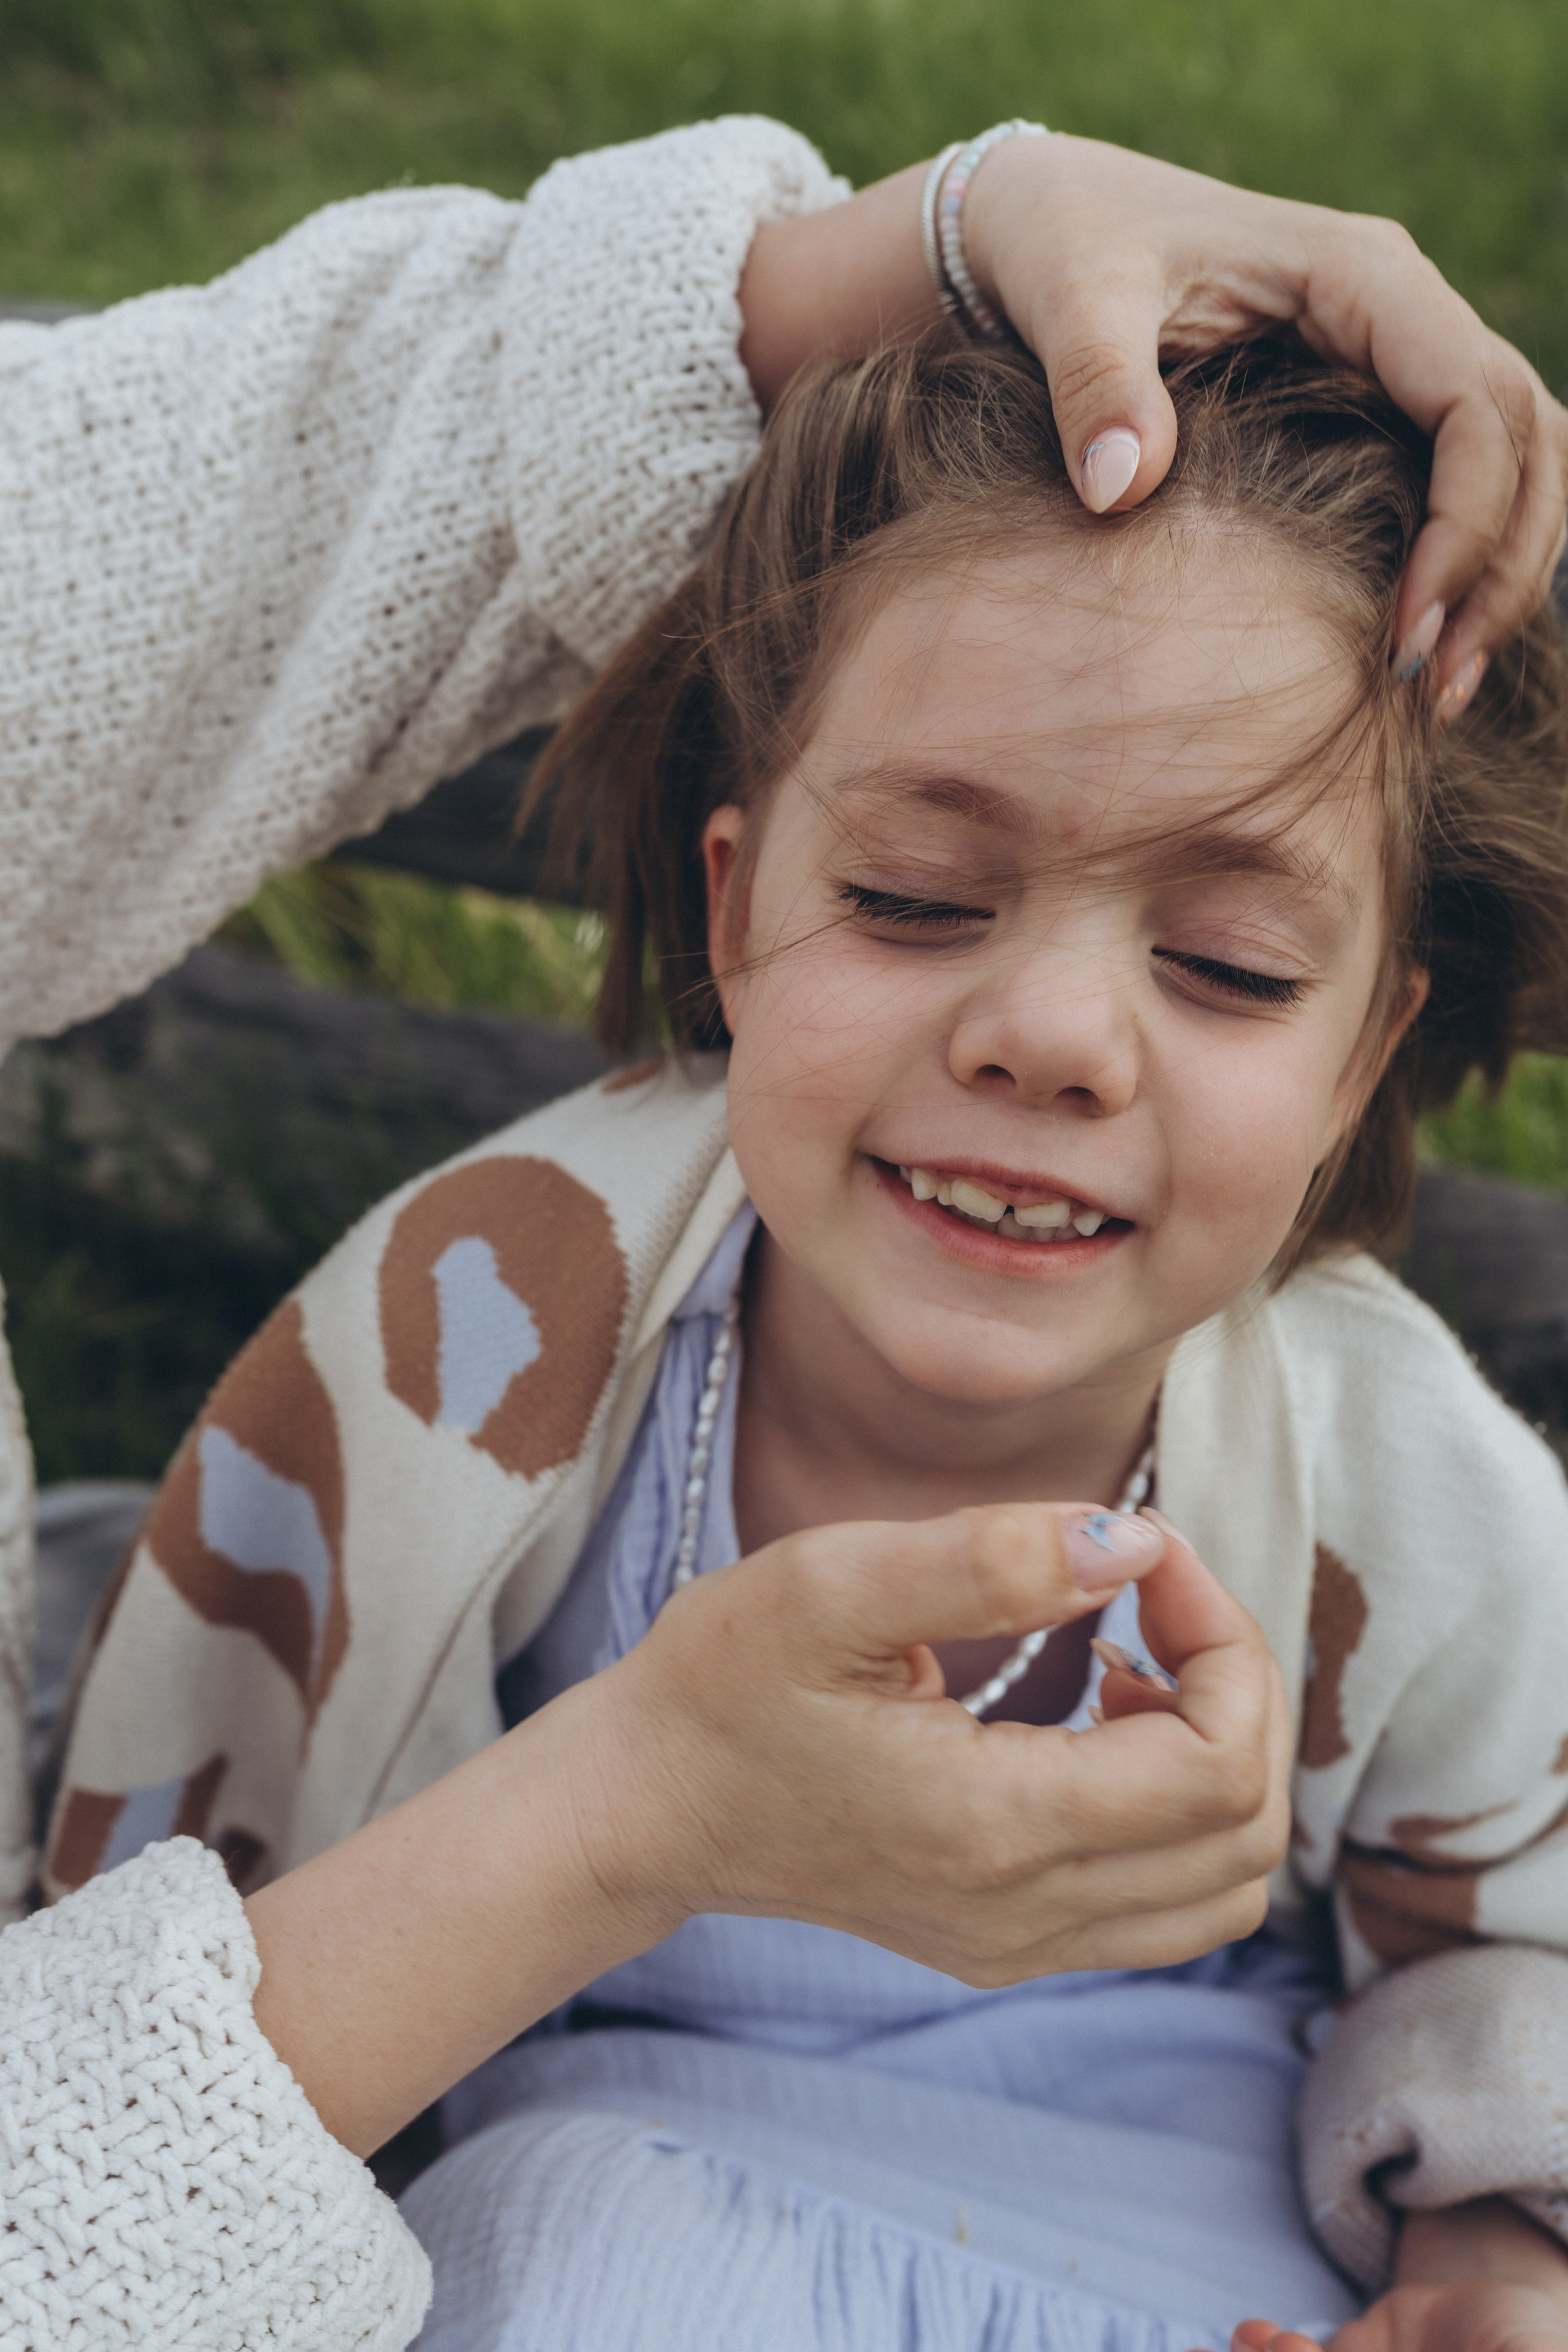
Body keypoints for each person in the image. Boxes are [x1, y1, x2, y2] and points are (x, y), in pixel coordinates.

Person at [3, 113, 1567, 2351]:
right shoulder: (469, 1339)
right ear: (737, 908)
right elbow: (224, 1764)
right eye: (920, 902)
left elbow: (1526, 1924)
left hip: (1173, 2253)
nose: (1048, 1036)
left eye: (1225, 969)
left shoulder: (1399, 1487)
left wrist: (1493, 2250)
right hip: (556, 2242)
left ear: (1363, 1052)